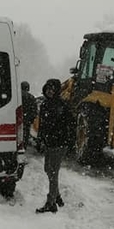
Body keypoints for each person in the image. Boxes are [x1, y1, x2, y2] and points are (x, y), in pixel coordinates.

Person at [35, 78, 74, 214]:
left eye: (52, 89)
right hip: (48, 143)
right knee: (47, 169)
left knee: (53, 173)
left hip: (59, 143)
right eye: (48, 89)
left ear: (57, 90)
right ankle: (57, 196)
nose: (50, 92)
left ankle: (50, 203)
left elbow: (71, 124)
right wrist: (40, 139)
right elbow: (42, 124)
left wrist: (69, 141)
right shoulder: (45, 104)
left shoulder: (62, 105)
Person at [20, 81, 37, 147]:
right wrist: (31, 119)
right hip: (27, 119)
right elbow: (34, 110)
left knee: (19, 133)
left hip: (19, 119)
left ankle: (20, 145)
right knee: (26, 133)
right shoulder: (31, 97)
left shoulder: (18, 96)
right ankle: (24, 145)